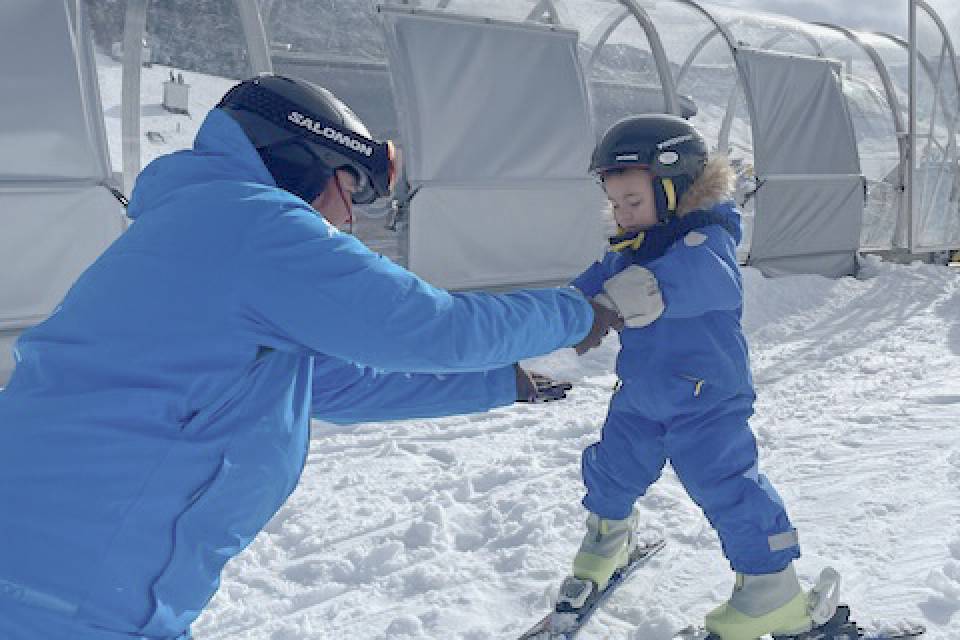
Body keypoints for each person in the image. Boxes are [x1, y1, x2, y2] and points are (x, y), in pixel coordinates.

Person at [0, 74, 620, 640]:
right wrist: (576, 312)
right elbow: (431, 328)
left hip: (63, 573)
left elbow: (330, 387)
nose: (348, 217)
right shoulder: (251, 224)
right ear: (300, 159)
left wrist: (497, 383)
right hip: (64, 591)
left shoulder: (204, 226)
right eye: (348, 187)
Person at [560, 115, 826, 640]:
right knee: (613, 469)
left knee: (726, 485)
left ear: (674, 188)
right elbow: (581, 290)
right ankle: (608, 536)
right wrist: (545, 319)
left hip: (707, 399)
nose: (622, 214)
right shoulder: (630, 248)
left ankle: (772, 589)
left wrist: (616, 300)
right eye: (614, 204)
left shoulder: (707, 240)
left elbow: (705, 285)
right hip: (640, 395)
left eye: (633, 202)